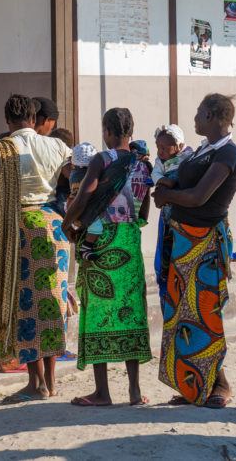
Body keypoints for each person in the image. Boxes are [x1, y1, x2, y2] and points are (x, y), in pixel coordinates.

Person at [0, 94, 72, 402]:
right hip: (55, 228)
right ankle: (51, 382)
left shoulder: (2, 150)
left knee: (24, 305)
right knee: (52, 304)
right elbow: (76, 175)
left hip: (21, 231)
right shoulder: (56, 146)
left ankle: (35, 383)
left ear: (7, 121)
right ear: (34, 118)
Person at [154, 94, 236, 408]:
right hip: (184, 241)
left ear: (211, 114)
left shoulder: (228, 153)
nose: (194, 117)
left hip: (205, 242)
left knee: (206, 313)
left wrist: (167, 196)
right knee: (183, 316)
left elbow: (199, 196)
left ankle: (221, 385)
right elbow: (180, 182)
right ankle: (195, 386)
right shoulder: (205, 149)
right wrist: (166, 187)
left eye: (198, 112)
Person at [64, 108, 153, 407]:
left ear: (107, 131)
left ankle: (102, 392)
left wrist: (69, 222)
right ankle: (135, 391)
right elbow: (144, 212)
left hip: (102, 243)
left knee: (98, 311)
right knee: (130, 309)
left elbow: (85, 195)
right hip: (130, 241)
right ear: (131, 129)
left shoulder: (104, 160)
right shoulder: (143, 165)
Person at [151, 124, 193, 306]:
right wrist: (165, 182)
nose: (160, 151)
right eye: (158, 147)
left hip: (184, 213)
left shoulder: (187, 157)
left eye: (164, 148)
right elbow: (155, 176)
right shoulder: (160, 163)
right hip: (168, 211)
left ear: (178, 147)